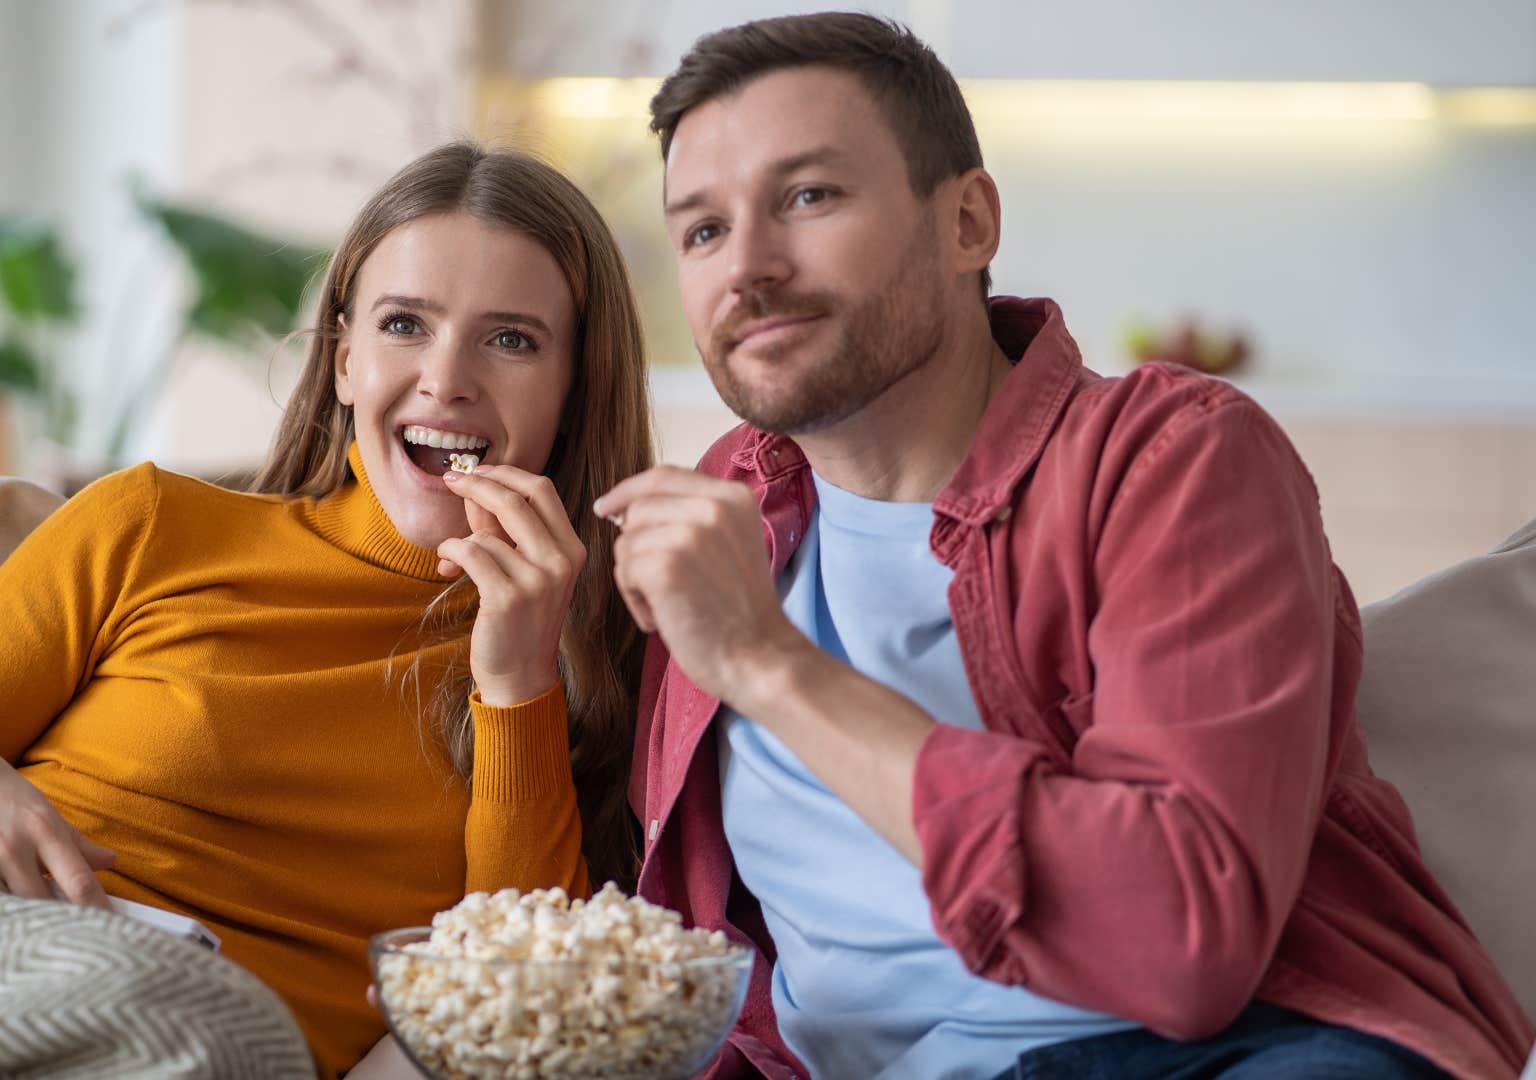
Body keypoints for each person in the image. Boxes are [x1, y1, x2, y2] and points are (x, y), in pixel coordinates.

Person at [597, 13, 1534, 1080]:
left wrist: (771, 668)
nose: (748, 268)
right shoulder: (727, 501)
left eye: (809, 196)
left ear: (968, 222)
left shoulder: (1171, 459)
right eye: (702, 230)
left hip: (1208, 1053)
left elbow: (1185, 948)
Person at [0, 140, 655, 1078]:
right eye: (405, 324)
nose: (447, 379)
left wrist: (515, 681)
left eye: (511, 339)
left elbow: (524, 1012)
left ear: (574, 388)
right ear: (345, 356)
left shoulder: (605, 659)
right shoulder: (150, 523)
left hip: (196, 1047)